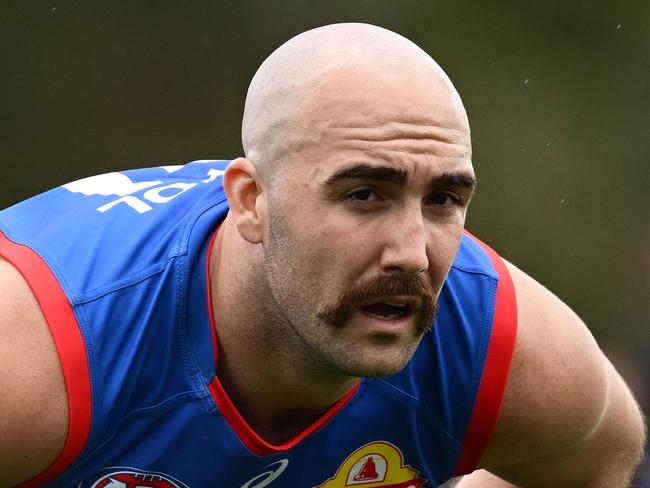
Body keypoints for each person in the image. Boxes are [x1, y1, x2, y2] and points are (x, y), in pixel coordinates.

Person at [0, 23, 645, 488]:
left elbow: (599, 461)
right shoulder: (37, 357)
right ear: (251, 202)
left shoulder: (497, 348)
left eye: (444, 199)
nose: (413, 255)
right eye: (365, 194)